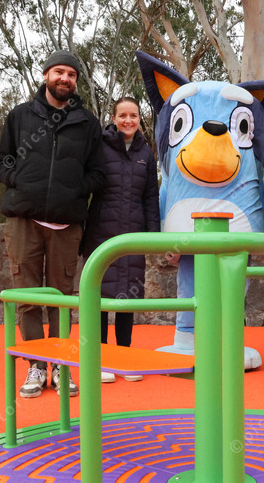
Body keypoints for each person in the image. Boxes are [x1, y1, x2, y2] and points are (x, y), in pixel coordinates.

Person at [0, 49, 106, 398]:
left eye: (71, 74)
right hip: (23, 222)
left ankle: (60, 367)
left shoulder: (87, 123)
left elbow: (98, 173)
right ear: (46, 75)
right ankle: (36, 366)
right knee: (27, 298)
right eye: (59, 72)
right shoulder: (20, 116)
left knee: (62, 300)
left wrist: (74, 191)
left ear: (75, 81)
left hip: (66, 226)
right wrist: (20, 181)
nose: (64, 79)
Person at [81, 97, 160, 383]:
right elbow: (85, 186)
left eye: (134, 115)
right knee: (101, 297)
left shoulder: (146, 154)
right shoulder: (99, 147)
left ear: (140, 119)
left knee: (129, 295)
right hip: (101, 232)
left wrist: (153, 238)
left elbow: (150, 197)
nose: (128, 120)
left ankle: (124, 359)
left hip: (133, 234)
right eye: (123, 115)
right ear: (114, 119)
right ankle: (101, 360)